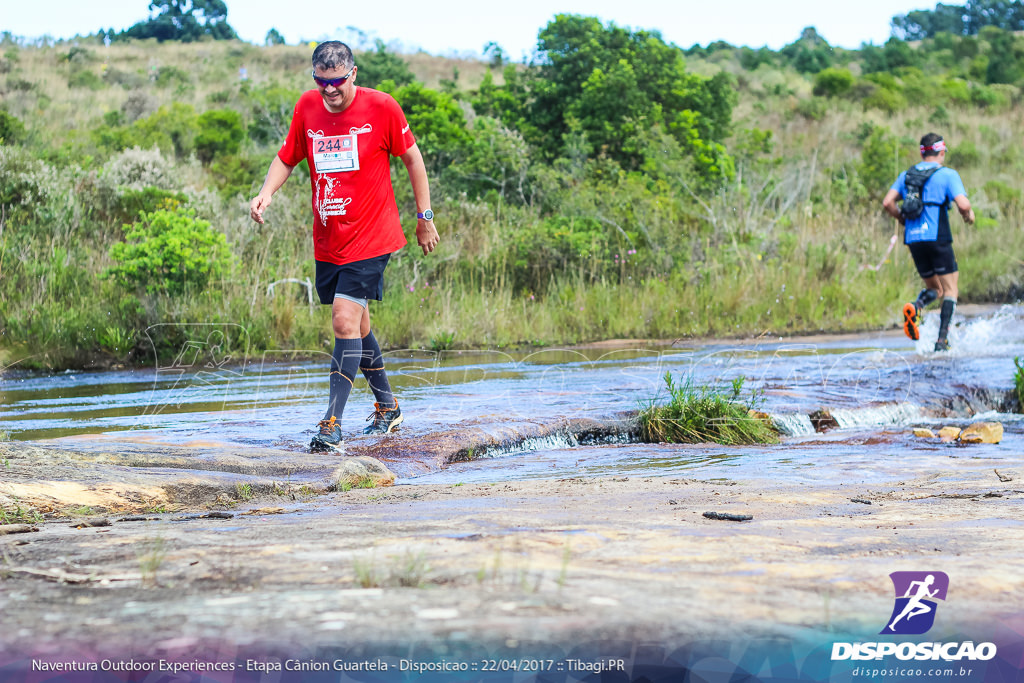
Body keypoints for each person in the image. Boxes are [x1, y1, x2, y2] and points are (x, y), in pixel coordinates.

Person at [249, 41, 439, 452]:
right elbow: (287, 157)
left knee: (342, 321)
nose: (329, 90)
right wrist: (266, 194)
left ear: (353, 74)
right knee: (358, 325)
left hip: (373, 235)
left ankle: (332, 423)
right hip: (330, 238)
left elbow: (413, 159)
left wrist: (424, 218)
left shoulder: (382, 108)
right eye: (321, 82)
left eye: (336, 82)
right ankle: (388, 407)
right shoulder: (307, 107)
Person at [882, 133, 974, 352]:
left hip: (914, 239)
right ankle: (942, 342)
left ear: (922, 151)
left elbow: (888, 202)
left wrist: (902, 220)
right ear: (941, 152)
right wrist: (969, 216)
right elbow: (962, 204)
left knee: (934, 288)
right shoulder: (948, 174)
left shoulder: (906, 175)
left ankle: (916, 306)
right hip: (938, 237)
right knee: (950, 290)